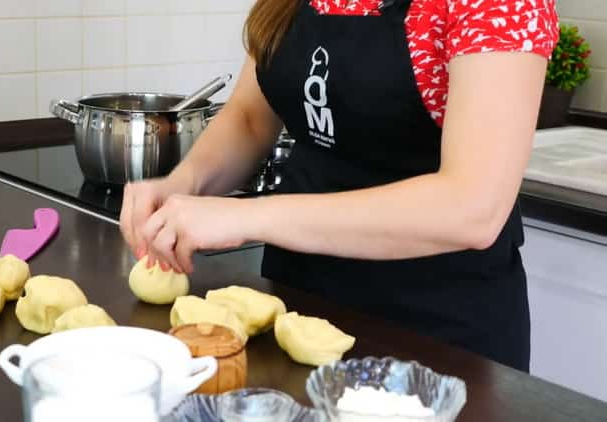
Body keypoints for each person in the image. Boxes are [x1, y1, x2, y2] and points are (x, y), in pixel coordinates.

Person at [119, 0, 559, 372]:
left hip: (434, 333)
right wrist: (184, 184)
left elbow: (472, 206)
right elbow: (251, 118)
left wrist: (246, 217)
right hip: (295, 309)